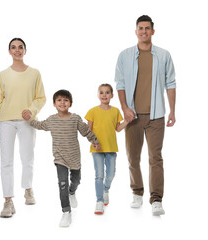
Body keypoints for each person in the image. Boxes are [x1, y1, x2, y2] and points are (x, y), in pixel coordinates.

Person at [114, 15, 176, 216]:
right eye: (140, 28)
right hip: (133, 117)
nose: (144, 31)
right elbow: (120, 84)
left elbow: (171, 84)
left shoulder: (164, 55)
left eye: (147, 28)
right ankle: (137, 192)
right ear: (135, 31)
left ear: (153, 31)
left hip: (156, 115)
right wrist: (125, 109)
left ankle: (156, 198)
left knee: (155, 158)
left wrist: (172, 111)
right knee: (133, 157)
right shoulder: (124, 55)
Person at [22, 89, 101, 227]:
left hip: (74, 157)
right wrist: (29, 119)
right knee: (62, 184)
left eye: (66, 100)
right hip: (60, 158)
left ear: (70, 103)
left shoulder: (75, 118)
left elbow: (86, 131)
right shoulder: (52, 120)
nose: (62, 102)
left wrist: (94, 141)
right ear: (54, 103)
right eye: (59, 100)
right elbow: (39, 125)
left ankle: (72, 192)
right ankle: (66, 212)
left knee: (76, 180)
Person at [0, 38, 46, 218]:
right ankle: (8, 201)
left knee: (27, 158)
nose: (17, 50)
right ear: (9, 51)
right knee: (6, 161)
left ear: (25, 50)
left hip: (27, 121)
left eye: (20, 47)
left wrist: (31, 111)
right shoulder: (2, 75)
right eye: (13, 48)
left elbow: (41, 98)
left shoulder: (35, 73)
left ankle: (28, 189)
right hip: (6, 121)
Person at [85, 84, 127, 215]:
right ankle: (99, 201)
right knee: (99, 175)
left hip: (111, 147)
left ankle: (106, 189)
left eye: (107, 92)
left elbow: (118, 128)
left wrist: (128, 121)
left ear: (112, 95)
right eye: (101, 92)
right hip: (97, 148)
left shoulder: (115, 111)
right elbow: (88, 131)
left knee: (111, 174)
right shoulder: (92, 111)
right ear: (98, 95)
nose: (104, 95)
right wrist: (93, 143)